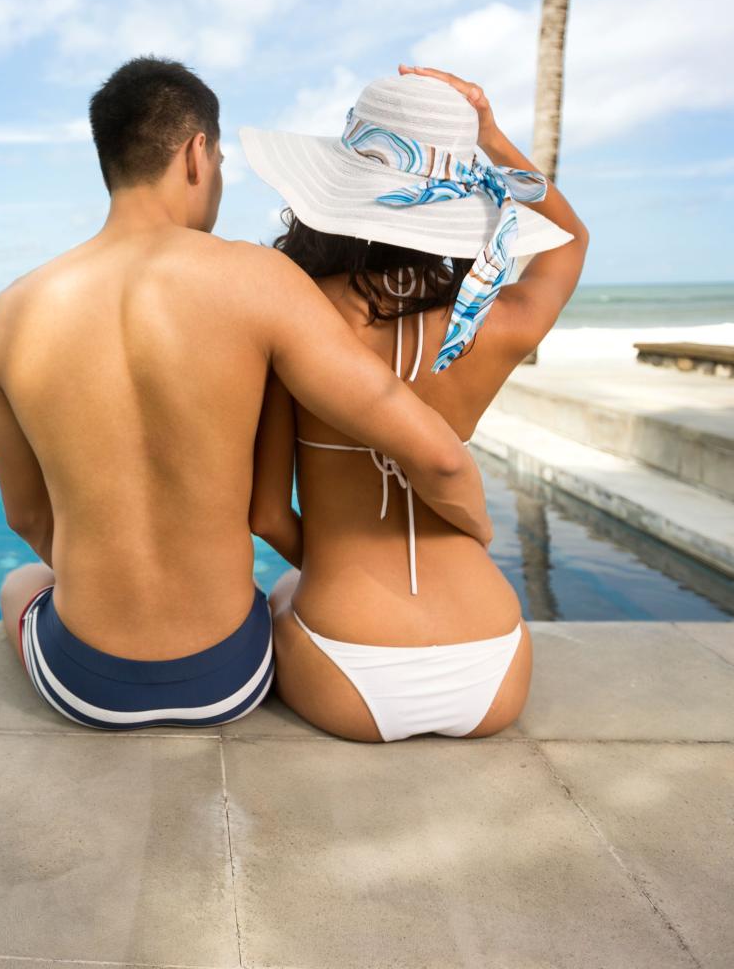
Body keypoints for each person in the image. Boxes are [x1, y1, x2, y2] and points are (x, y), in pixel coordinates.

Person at [0, 56, 493, 730]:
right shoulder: (259, 279)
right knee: (273, 591)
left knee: (20, 584)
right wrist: (476, 533)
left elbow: (27, 519)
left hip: (87, 689)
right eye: (219, 160)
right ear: (197, 154)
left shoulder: (11, 312)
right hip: (228, 679)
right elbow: (438, 454)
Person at [241, 66, 590, 741]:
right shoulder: (501, 320)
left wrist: (343, 570)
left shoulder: (298, 315)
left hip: (347, 666)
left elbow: (266, 513)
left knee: (279, 598)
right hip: (494, 662)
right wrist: (489, 136)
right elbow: (570, 241)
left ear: (338, 187)